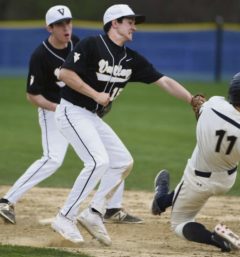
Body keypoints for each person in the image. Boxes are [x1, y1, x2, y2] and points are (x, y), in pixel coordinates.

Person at [51, 4, 202, 245]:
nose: (134, 26)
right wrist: (95, 94)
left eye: (134, 22)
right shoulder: (91, 44)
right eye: (129, 21)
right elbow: (66, 74)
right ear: (114, 23)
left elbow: (163, 81)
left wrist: (192, 100)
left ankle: (94, 212)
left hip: (91, 116)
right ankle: (65, 216)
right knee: (97, 162)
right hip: (71, 110)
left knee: (122, 162)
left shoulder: (130, 59)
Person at [0, 5, 141, 226]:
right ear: (49, 28)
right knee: (53, 159)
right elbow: (32, 96)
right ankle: (6, 201)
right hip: (52, 110)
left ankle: (112, 208)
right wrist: (59, 109)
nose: (66, 27)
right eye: (59, 24)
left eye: (68, 22)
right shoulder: (40, 55)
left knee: (109, 155)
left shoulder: (77, 43)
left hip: (79, 111)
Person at [151, 72, 240, 252]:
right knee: (203, 154)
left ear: (231, 94)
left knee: (179, 224)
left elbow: (198, 105)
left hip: (198, 179)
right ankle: (161, 201)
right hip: (226, 180)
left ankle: (216, 240)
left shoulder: (214, 104)